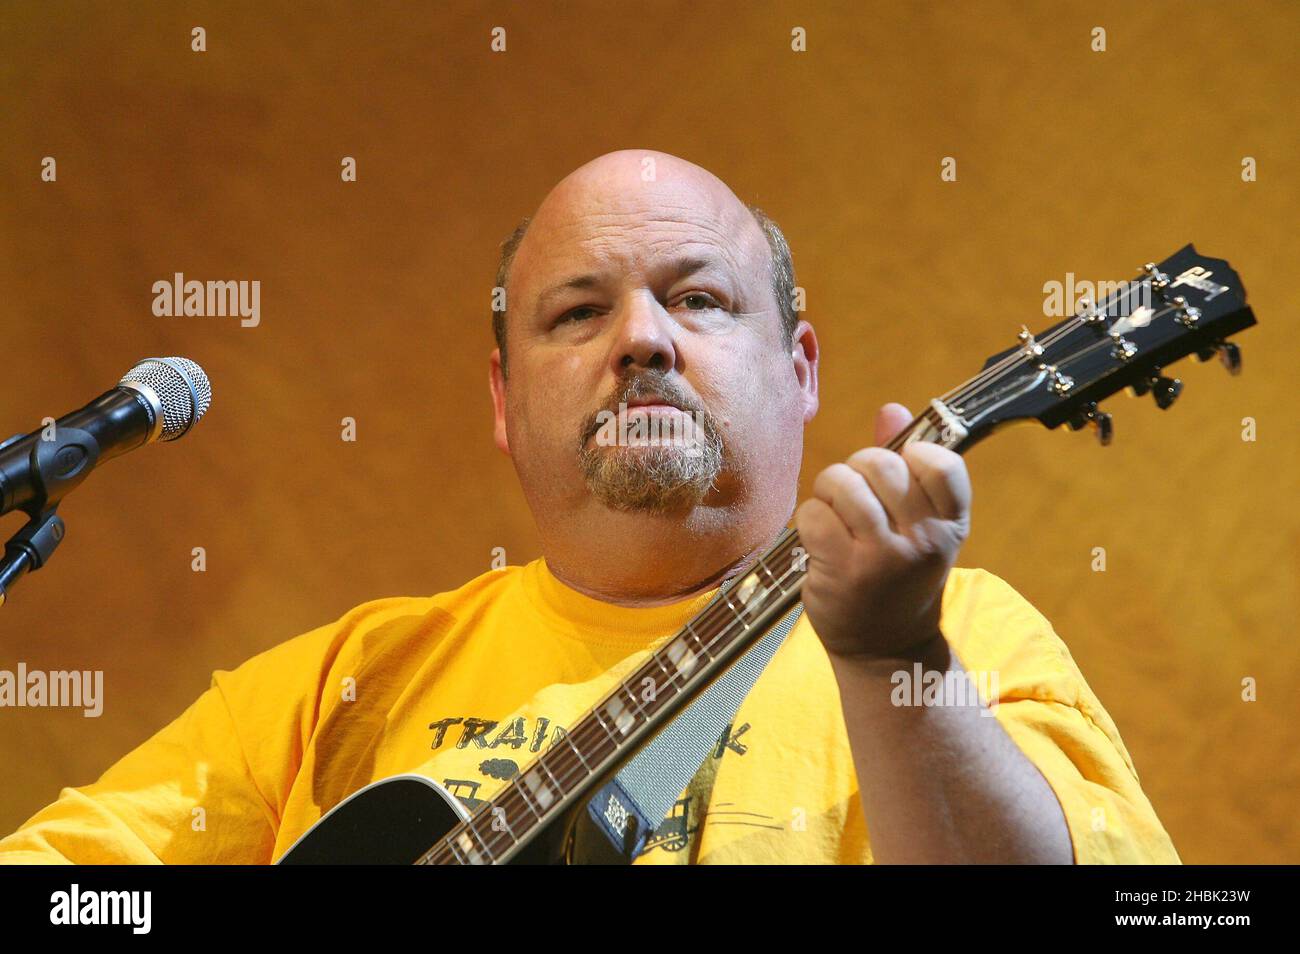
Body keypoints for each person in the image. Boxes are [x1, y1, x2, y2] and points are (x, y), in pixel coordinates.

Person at [0, 149, 1180, 864]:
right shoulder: (343, 680)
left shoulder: (964, 642)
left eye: (701, 299)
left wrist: (887, 656)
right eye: (576, 313)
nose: (643, 341)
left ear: (801, 369)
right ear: (505, 399)